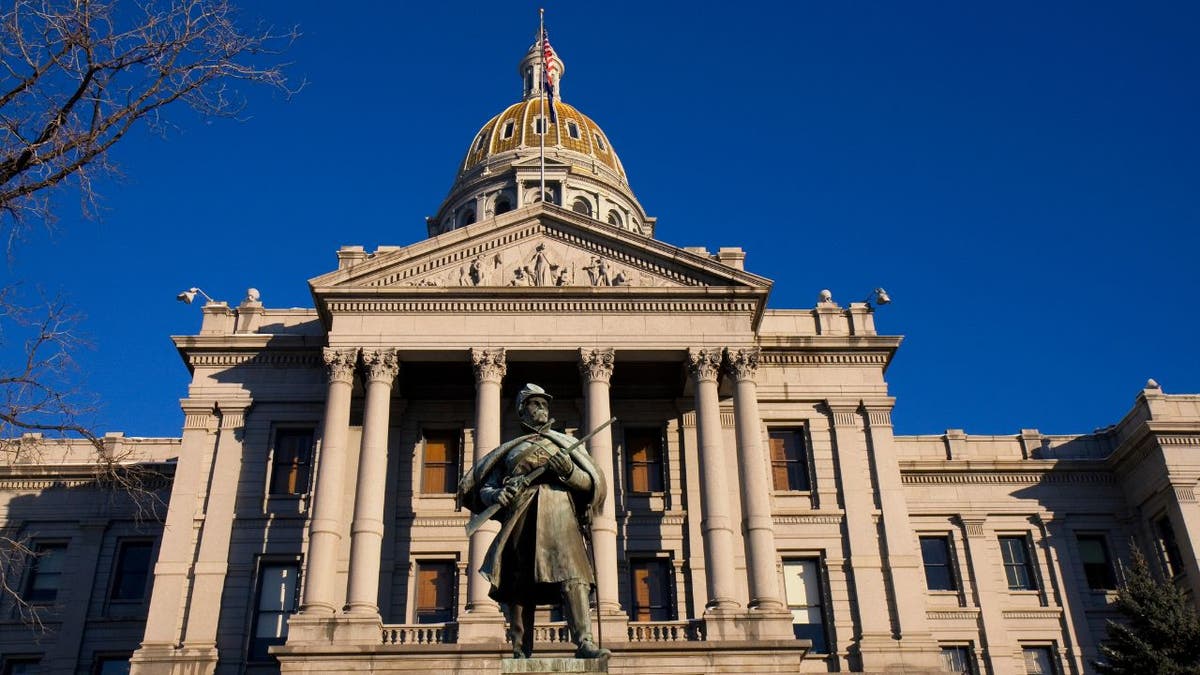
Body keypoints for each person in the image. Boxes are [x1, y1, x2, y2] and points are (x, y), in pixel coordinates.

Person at [458, 384, 611, 659]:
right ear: (522, 412)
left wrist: (569, 472)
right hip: (521, 515)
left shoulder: (563, 444)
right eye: (534, 404)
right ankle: (520, 648)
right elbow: (485, 488)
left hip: (559, 513)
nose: (541, 408)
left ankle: (584, 642)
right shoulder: (510, 451)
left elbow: (591, 483)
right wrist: (500, 493)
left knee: (574, 576)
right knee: (518, 583)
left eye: (544, 404)